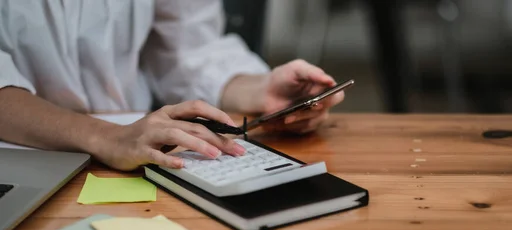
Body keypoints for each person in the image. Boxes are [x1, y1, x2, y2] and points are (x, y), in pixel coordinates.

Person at [0, 0, 344, 171]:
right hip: (20, 158)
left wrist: (261, 90)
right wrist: (104, 136)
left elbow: (186, 46)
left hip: (136, 155)